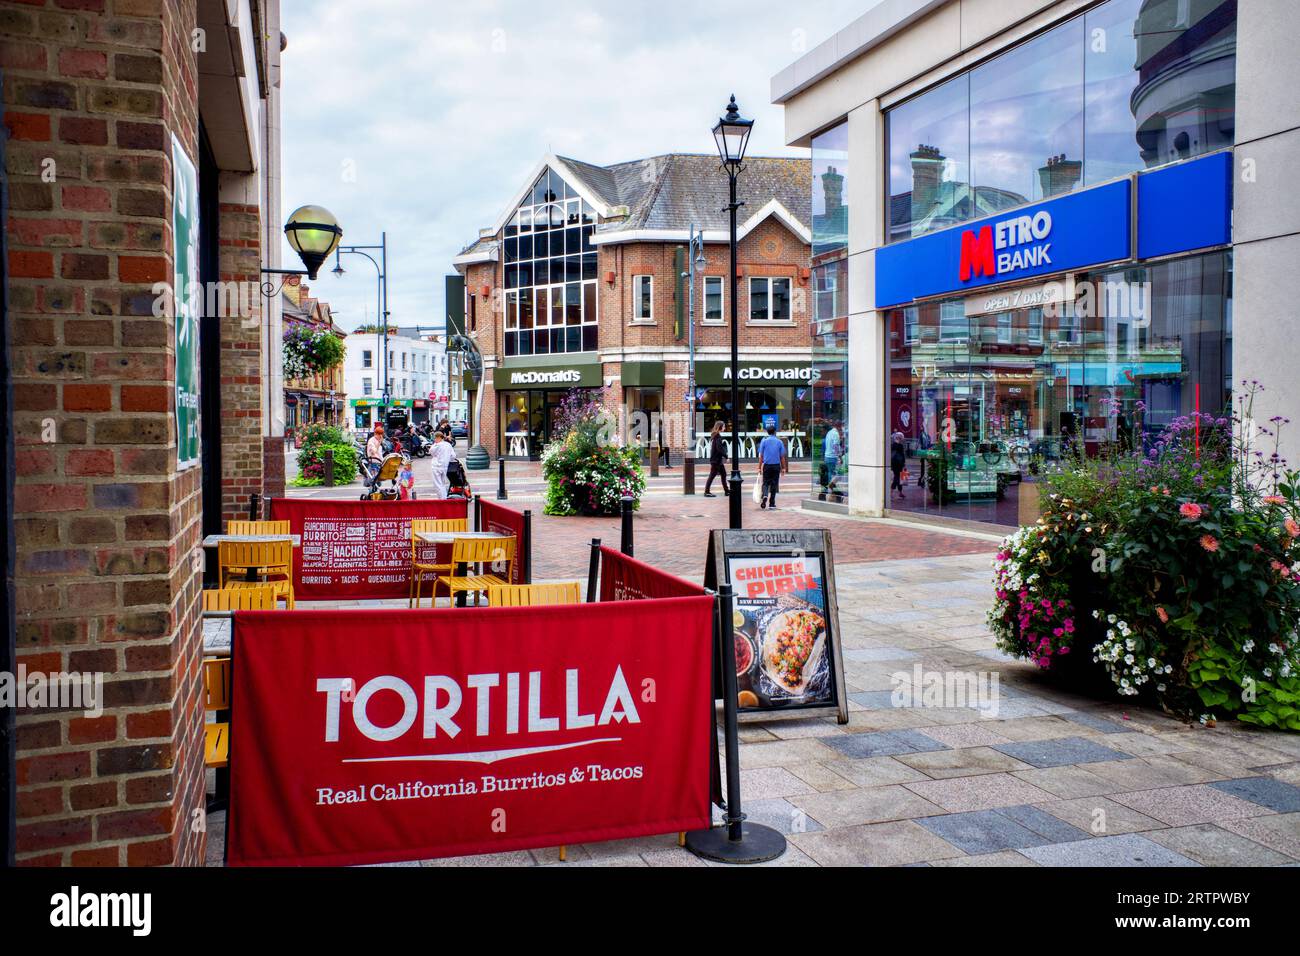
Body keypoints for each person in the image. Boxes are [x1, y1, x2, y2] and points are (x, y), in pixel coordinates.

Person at [756, 423, 787, 510]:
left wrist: (759, 467)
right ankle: (772, 503)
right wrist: (783, 468)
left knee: (765, 483)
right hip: (776, 466)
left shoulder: (764, 441)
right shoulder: (779, 442)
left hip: (767, 465)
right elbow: (782, 457)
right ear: (775, 432)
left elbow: (761, 456)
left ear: (767, 432)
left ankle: (765, 494)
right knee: (774, 484)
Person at [704, 420, 729, 497]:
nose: (725, 428)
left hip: (717, 460)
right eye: (724, 426)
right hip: (716, 461)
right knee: (712, 476)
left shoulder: (715, 435)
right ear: (720, 427)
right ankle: (707, 492)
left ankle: (727, 491)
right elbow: (719, 448)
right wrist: (726, 456)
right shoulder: (717, 436)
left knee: (723, 474)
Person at [428, 430, 455, 499]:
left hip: (436, 466)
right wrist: (447, 460)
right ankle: (444, 498)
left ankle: (442, 500)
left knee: (438, 484)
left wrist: (434, 444)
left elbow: (431, 451)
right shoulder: (448, 445)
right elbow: (453, 456)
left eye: (435, 438)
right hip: (445, 466)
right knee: (442, 484)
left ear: (438, 437)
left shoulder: (436, 445)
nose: (434, 440)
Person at [823, 420, 842, 495]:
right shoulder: (835, 434)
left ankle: (830, 491)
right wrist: (839, 457)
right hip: (832, 457)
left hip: (827, 456)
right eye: (841, 427)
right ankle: (830, 490)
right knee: (837, 475)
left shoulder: (829, 433)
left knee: (830, 474)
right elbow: (836, 446)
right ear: (839, 426)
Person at [890, 430, 907, 498]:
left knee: (900, 478)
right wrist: (904, 464)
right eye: (901, 438)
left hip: (894, 464)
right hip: (899, 464)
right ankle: (891, 492)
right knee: (898, 478)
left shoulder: (893, 445)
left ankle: (900, 492)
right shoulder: (900, 446)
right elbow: (902, 455)